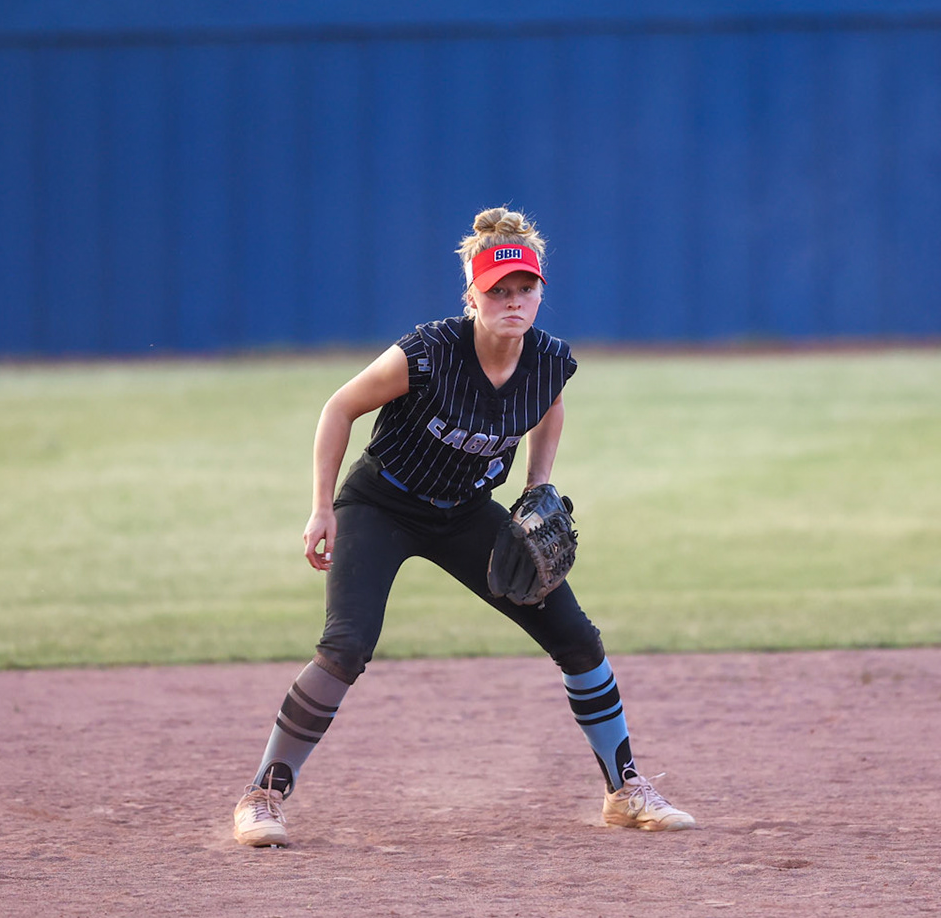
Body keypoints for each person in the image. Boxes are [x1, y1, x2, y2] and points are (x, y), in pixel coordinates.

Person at [231, 207, 695, 846]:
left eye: (524, 289)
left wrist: (538, 485)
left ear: (540, 291)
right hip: (381, 506)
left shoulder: (549, 361)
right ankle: (263, 795)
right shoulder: (427, 353)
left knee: (579, 640)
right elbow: (338, 408)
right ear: (470, 296)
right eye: (497, 291)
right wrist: (321, 508)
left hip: (467, 512)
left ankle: (625, 789)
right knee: (346, 647)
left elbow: (549, 409)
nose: (512, 301)